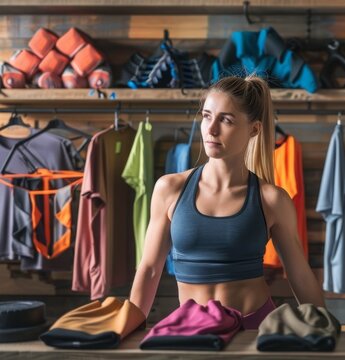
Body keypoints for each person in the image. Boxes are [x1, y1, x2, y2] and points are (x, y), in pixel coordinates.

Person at [129, 75, 325, 329]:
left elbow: (300, 275)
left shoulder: (272, 199)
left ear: (254, 129)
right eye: (207, 116)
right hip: (191, 330)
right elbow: (149, 270)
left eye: (226, 120)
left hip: (254, 329)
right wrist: (128, 329)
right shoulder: (170, 189)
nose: (211, 129)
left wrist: (326, 332)